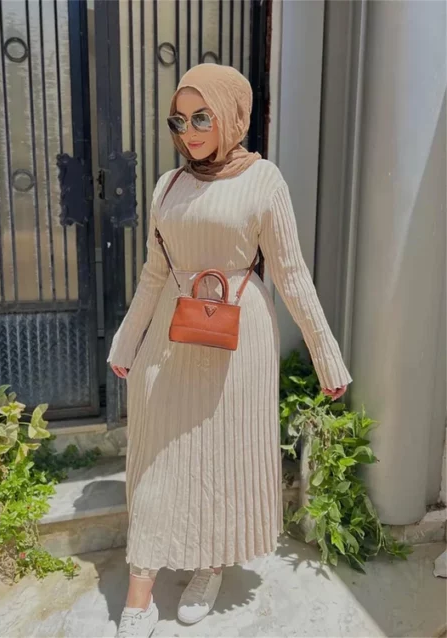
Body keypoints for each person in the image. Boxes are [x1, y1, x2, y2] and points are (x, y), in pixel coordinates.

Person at [108, 64, 352, 637]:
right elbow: (153, 272)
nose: (188, 131)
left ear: (231, 116)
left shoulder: (264, 181)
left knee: (221, 457)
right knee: (156, 459)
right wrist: (126, 339)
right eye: (178, 120)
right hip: (169, 335)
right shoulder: (168, 186)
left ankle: (209, 565)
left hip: (237, 340)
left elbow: (291, 274)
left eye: (202, 117)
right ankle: (140, 589)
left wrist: (326, 353)